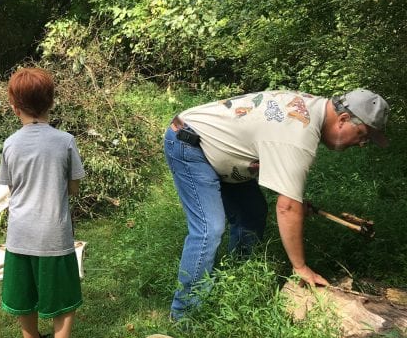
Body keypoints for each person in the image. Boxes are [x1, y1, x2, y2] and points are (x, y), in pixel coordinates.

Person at [163, 89, 389, 321]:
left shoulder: (311, 112)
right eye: (363, 135)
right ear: (343, 119)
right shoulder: (300, 133)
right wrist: (300, 266)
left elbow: (279, 169)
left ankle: (235, 279)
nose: (362, 143)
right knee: (209, 229)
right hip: (191, 143)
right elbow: (286, 207)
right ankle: (184, 315)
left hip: (225, 155)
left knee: (252, 214)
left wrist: (294, 199)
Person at [0, 67, 97, 338]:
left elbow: (10, 186)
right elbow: (74, 188)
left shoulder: (10, 144)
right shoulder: (65, 141)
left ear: (14, 107)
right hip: (53, 234)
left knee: (24, 291)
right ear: (51, 102)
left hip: (19, 234)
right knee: (63, 296)